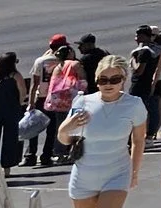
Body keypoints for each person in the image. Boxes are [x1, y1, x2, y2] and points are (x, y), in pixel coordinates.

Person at [58, 54, 147, 208]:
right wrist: (66, 127)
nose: (108, 84)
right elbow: (65, 139)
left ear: (123, 80)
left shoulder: (134, 105)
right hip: (84, 177)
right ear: (96, 80)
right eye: (103, 79)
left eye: (115, 79)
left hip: (117, 175)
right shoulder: (83, 102)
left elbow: (138, 140)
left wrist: (134, 171)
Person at [33, 34, 81, 165]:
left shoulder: (42, 61)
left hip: (46, 98)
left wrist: (31, 101)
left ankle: (31, 155)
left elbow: (35, 83)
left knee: (37, 127)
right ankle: (49, 154)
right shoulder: (70, 63)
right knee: (57, 129)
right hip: (65, 99)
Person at [0, 51, 30, 171]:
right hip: (11, 110)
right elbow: (22, 93)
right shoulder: (15, 76)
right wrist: (19, 104)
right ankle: (7, 168)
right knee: (10, 140)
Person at [128, 28, 161, 143]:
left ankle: (137, 138)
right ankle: (145, 136)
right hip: (146, 85)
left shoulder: (144, 52)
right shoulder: (155, 50)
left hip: (139, 86)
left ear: (145, 36)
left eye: (138, 35)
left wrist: (133, 59)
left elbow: (139, 70)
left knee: (135, 112)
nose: (136, 38)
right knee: (145, 111)